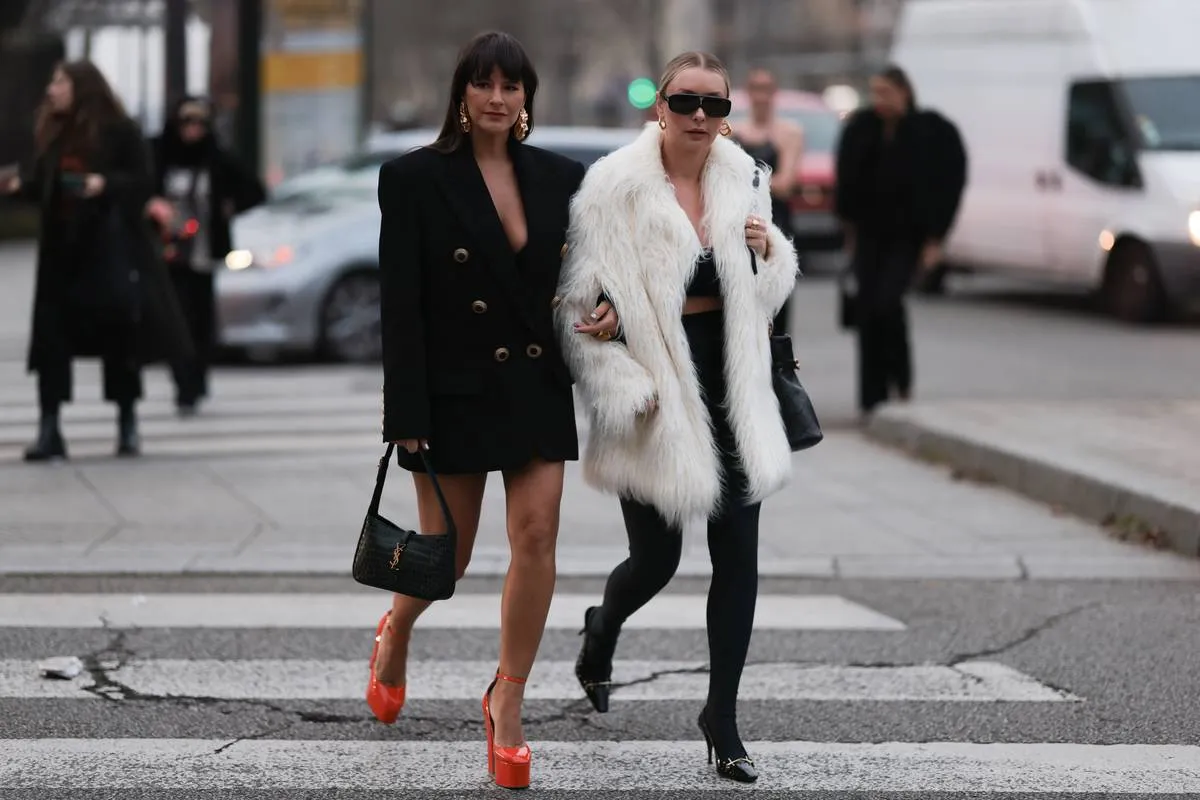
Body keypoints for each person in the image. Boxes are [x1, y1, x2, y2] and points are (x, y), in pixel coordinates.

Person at [369, 31, 619, 791]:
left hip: (536, 381)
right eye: (484, 84)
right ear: (461, 94)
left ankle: (506, 701)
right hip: (452, 389)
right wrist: (404, 410)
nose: (498, 98)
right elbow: (401, 304)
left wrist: (608, 309)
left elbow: (584, 275)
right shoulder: (413, 179)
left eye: (512, 86)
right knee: (449, 556)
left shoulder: (558, 177)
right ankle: (396, 629)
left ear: (526, 100)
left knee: (538, 535)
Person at [556, 51, 799, 784]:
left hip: (732, 381)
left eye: (714, 106)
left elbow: (766, 295)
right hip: (657, 389)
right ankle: (601, 632)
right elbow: (577, 308)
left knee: (738, 557)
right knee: (656, 563)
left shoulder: (745, 177)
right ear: (659, 105)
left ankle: (721, 718)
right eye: (686, 102)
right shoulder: (611, 188)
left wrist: (769, 253)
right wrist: (614, 364)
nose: (700, 117)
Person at [2, 61, 191, 461]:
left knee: (118, 340)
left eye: (60, 82)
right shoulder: (54, 132)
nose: (51, 90)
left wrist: (104, 184)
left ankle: (127, 424)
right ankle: (50, 429)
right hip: (61, 254)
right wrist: (20, 185)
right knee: (51, 342)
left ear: (82, 88)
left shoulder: (120, 131)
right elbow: (46, 184)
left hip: (109, 252)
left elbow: (142, 183)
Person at [834, 65, 967, 418]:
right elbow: (846, 181)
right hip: (869, 234)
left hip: (908, 236)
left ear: (904, 92)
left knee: (888, 303)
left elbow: (949, 182)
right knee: (866, 312)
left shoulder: (931, 131)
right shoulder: (862, 128)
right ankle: (871, 396)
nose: (879, 100)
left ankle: (901, 378)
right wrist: (848, 231)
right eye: (874, 92)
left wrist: (936, 238)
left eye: (885, 92)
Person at [147, 95, 265, 416]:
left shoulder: (217, 158)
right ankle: (182, 382)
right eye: (187, 122)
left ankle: (197, 380)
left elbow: (254, 191)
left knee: (200, 320)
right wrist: (153, 208)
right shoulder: (158, 153)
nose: (193, 130)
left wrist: (228, 209)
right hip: (166, 252)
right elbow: (137, 190)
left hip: (201, 253)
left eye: (199, 123)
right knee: (174, 319)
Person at [731, 66, 804, 336]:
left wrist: (741, 182)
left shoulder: (789, 132)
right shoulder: (733, 131)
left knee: (776, 301)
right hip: (739, 223)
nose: (761, 96)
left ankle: (777, 368)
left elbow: (786, 183)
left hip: (776, 223)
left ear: (774, 94)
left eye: (766, 90)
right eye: (756, 89)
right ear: (748, 93)